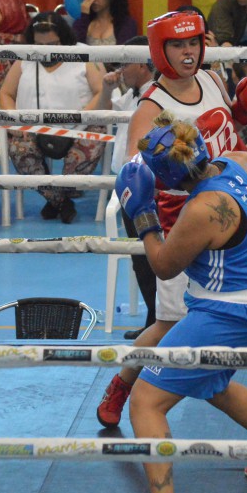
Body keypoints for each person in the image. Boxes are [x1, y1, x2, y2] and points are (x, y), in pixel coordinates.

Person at [96, 11, 247, 442]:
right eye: (177, 45)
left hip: (234, 204)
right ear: (160, 51)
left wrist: (243, 112)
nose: (188, 53)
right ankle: (125, 384)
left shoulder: (211, 82)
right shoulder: (151, 106)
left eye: (193, 44)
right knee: (173, 323)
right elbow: (136, 172)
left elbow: (224, 138)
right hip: (184, 224)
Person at [116, 113, 247, 493]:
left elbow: (164, 266)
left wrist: (142, 213)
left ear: (166, 177)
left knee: (146, 401)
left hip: (225, 315)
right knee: (215, 384)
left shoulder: (203, 209)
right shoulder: (236, 162)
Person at [0, 12, 106, 224]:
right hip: (34, 128)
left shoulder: (84, 55)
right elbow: (5, 94)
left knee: (94, 137)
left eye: (53, 44)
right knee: (19, 149)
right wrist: (13, 121)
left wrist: (83, 117)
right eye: (41, 45)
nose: (47, 51)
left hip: (79, 126)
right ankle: (60, 201)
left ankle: (57, 198)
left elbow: (102, 91)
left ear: (64, 38)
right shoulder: (25, 57)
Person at [91, 34, 159, 339]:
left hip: (146, 186)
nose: (120, 69)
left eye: (125, 62)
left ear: (144, 66)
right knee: (138, 255)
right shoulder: (131, 95)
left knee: (150, 254)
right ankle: (154, 320)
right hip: (127, 184)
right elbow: (99, 114)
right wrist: (106, 87)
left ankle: (160, 321)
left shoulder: (155, 97)